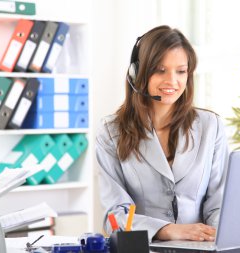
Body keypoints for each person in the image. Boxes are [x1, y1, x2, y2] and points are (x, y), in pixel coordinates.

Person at [96, 25, 229, 242]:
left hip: (203, 246)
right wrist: (167, 230)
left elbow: (220, 203)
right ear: (137, 73)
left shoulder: (210, 126)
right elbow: (114, 216)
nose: (172, 81)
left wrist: (220, 235)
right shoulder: (111, 132)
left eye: (181, 71)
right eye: (160, 69)